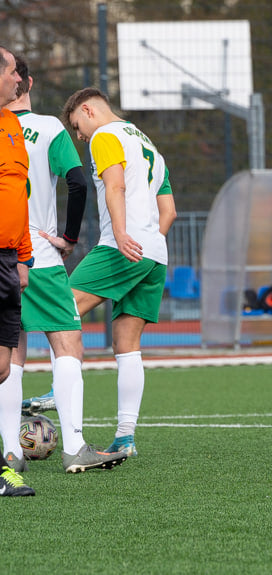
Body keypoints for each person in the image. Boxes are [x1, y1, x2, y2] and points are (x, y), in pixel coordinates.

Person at [1, 56, 127, 474]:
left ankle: (11, 453)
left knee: (10, 350)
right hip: (36, 250)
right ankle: (74, 446)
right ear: (27, 82)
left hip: (3, 252)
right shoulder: (51, 128)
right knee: (68, 341)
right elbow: (76, 182)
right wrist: (70, 238)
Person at [58, 87, 177, 457]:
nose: (79, 136)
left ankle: (55, 390)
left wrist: (124, 235)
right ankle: (125, 437)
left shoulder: (105, 136)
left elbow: (115, 185)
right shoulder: (149, 145)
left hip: (122, 246)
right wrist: (148, 242)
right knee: (126, 345)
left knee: (60, 309)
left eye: (78, 126)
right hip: (155, 253)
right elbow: (169, 211)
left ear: (89, 110)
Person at [0, 45, 35, 496]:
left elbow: (18, 195)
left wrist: (23, 256)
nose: (19, 79)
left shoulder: (12, 126)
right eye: (12, 72)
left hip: (9, 259)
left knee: (4, 369)